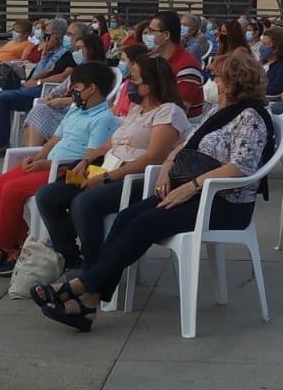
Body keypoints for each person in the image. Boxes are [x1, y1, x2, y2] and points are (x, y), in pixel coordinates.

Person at [30, 50, 274, 331]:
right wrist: (169, 167)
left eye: (216, 78)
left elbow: (240, 168)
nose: (210, 82)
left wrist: (191, 188)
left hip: (223, 203)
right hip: (193, 193)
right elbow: (185, 146)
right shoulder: (218, 112)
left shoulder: (251, 117)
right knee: (126, 218)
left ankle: (80, 286)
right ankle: (87, 302)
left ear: (233, 83)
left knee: (144, 223)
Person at [31, 54, 193, 276]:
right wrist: (86, 161)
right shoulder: (138, 110)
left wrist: (107, 178)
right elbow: (112, 141)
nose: (129, 85)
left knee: (84, 202)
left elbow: (153, 157)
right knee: (48, 195)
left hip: (136, 179)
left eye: (135, 80)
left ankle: (94, 267)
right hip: (107, 168)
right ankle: (70, 257)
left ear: (151, 84)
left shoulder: (169, 112)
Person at [0, 63, 119, 276]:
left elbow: (88, 158)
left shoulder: (102, 119)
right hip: (48, 162)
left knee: (12, 189)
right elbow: (55, 139)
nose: (73, 94)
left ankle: (4, 248)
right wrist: (38, 156)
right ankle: (19, 239)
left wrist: (47, 164)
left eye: (76, 88)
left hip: (64, 170)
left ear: (92, 89)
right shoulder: (76, 110)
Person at [0, 18, 77, 157]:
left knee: (2, 99)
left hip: (44, 90)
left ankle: (1, 144)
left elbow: (63, 76)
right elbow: (44, 70)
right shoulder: (51, 51)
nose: (45, 38)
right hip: (32, 85)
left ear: (56, 36)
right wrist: (44, 54)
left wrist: (38, 81)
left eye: (48, 35)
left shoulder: (65, 53)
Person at [144, 10, 205, 118]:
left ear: (166, 35)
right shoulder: (150, 58)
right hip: (150, 116)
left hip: (178, 125)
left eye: (151, 31)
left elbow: (178, 113)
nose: (147, 35)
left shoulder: (188, 66)